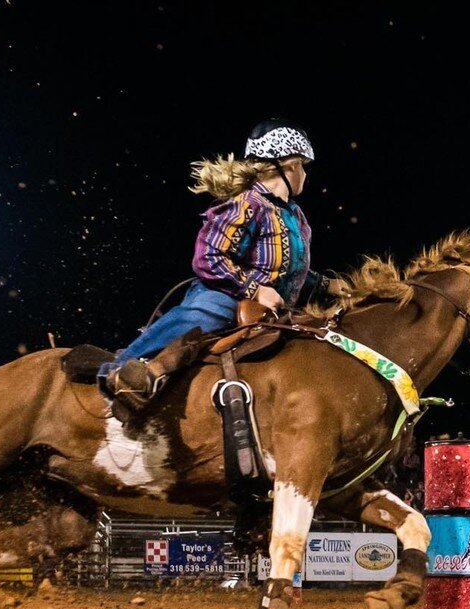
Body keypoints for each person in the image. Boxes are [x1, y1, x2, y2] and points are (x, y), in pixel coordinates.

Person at [99, 119, 343, 411]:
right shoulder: (247, 204)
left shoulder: (296, 216)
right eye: (302, 165)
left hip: (276, 311)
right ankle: (120, 367)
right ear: (288, 166)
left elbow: (289, 269)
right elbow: (208, 257)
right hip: (227, 293)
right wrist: (254, 290)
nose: (304, 173)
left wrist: (328, 285)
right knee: (204, 316)